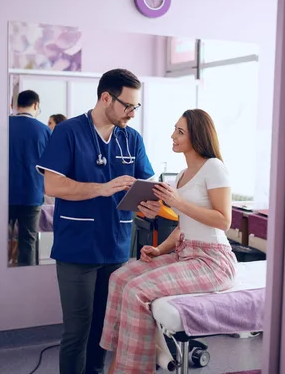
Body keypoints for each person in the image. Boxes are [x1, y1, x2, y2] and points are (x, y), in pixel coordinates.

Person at [36, 68, 157, 374]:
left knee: (105, 330)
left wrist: (149, 206)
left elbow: (145, 185)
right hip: (77, 248)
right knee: (77, 331)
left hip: (116, 246)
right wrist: (100, 189)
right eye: (127, 105)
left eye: (135, 106)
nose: (132, 113)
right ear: (106, 98)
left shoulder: (132, 139)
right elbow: (52, 186)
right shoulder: (69, 132)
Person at [100, 109, 237, 374]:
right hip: (186, 253)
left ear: (197, 136)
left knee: (137, 289)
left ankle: (131, 369)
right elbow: (184, 226)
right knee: (119, 278)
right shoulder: (183, 174)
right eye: (175, 129)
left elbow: (223, 221)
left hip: (214, 261)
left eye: (180, 131)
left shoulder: (214, 167)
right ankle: (121, 358)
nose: (172, 136)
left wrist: (177, 202)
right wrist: (159, 249)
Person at [8, 90, 51, 266]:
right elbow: (51, 165)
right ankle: (27, 282)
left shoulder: (4, 126)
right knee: (28, 241)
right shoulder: (44, 130)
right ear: (36, 105)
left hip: (4, 193)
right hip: (32, 194)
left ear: (15, 106)